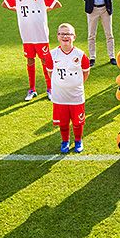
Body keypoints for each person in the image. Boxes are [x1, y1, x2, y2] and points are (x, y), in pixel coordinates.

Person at [3, 0, 61, 101]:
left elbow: (57, 3)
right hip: (26, 32)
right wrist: (16, 10)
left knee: (45, 59)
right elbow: (5, 4)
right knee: (30, 59)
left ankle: (49, 88)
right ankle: (32, 89)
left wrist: (45, 9)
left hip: (40, 32)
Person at [45, 23, 90, 153]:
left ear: (74, 37)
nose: (65, 36)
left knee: (77, 122)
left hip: (76, 95)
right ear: (58, 37)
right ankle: (65, 140)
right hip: (59, 96)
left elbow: (86, 72)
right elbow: (50, 72)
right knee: (63, 122)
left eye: (68, 33)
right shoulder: (52, 54)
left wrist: (76, 84)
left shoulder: (81, 55)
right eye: (62, 33)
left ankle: (78, 140)